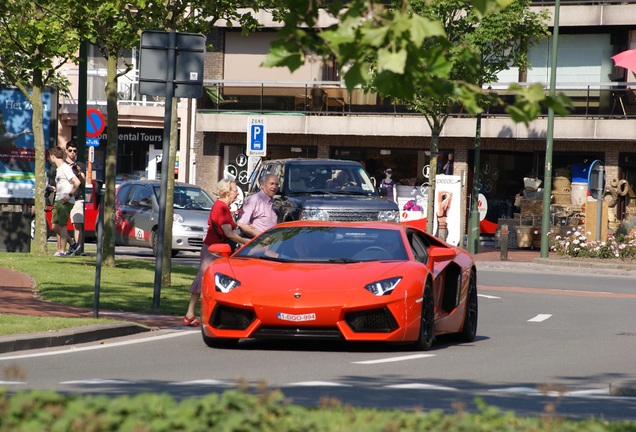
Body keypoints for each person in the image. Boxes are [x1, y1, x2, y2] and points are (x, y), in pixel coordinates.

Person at [184, 178, 251, 326]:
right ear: (227, 192)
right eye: (235, 191)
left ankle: (192, 314)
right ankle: (194, 313)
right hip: (213, 250)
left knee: (208, 280)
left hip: (216, 249)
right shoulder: (221, 207)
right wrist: (248, 242)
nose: (237, 195)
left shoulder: (221, 206)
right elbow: (229, 234)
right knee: (204, 280)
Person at [48, 146, 81, 257]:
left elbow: (76, 182)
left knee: (61, 226)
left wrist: (69, 195)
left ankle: (62, 251)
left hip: (64, 201)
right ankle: (73, 244)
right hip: (59, 199)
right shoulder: (59, 169)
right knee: (55, 226)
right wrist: (55, 189)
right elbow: (65, 185)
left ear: (53, 156)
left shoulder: (65, 168)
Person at [237, 173, 279, 238]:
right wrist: (261, 236)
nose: (274, 187)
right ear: (262, 185)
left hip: (270, 243)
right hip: (257, 242)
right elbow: (241, 223)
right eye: (272, 183)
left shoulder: (272, 201)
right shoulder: (254, 200)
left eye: (276, 184)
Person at [65, 140, 86, 254]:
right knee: (61, 224)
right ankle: (64, 248)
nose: (72, 153)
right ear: (66, 151)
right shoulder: (62, 165)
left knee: (77, 224)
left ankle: (77, 249)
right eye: (70, 150)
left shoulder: (80, 165)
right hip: (65, 197)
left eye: (74, 151)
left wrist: (78, 172)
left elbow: (83, 181)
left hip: (77, 197)